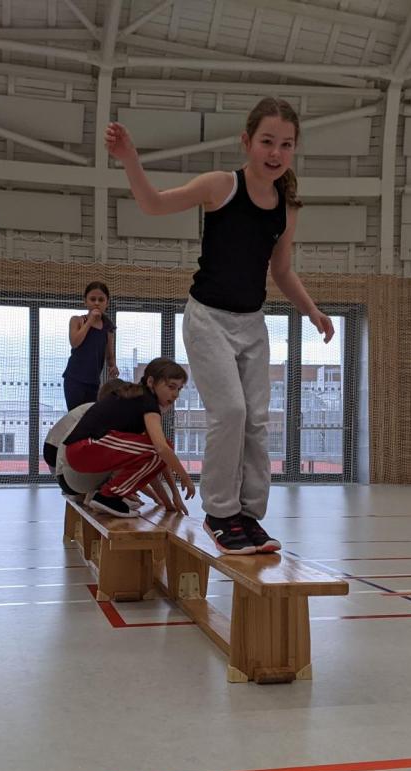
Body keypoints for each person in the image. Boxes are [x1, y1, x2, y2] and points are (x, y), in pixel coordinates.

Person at [104, 96, 334, 554]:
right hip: (207, 317)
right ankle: (220, 513)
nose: (275, 153)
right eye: (267, 141)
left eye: (286, 145)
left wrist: (312, 310)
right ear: (247, 141)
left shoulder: (286, 209)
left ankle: (248, 516)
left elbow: (281, 270)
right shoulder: (221, 186)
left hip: (252, 324)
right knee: (230, 412)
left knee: (257, 421)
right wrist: (129, 159)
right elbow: (153, 204)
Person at [63, 358, 194, 518]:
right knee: (161, 448)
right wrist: (185, 478)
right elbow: (161, 449)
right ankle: (107, 496)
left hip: (81, 455)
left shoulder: (138, 399)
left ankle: (110, 496)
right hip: (81, 452)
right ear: (151, 382)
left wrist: (171, 499)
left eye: (179, 389)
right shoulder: (147, 402)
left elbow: (156, 462)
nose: (175, 395)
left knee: (158, 451)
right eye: (171, 387)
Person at [62, 281, 119, 410]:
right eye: (93, 299)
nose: (96, 303)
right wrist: (90, 322)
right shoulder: (77, 320)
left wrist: (113, 366)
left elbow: (110, 355)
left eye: (101, 300)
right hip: (74, 379)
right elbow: (75, 343)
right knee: (76, 415)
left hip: (93, 381)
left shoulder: (108, 327)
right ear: (85, 301)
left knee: (89, 416)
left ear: (107, 303)